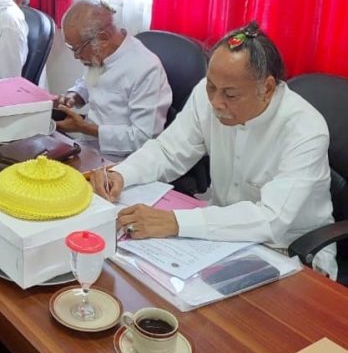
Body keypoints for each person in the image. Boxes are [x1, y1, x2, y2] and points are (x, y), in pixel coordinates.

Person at [93, 22, 336, 278]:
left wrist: (174, 222)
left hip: (289, 250)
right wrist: (122, 174)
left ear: (266, 89)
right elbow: (168, 151)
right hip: (220, 236)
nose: (216, 103)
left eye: (230, 95)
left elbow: (272, 219)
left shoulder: (305, 129)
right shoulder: (206, 95)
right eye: (211, 87)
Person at [56, 0, 172, 156]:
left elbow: (143, 138)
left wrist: (85, 128)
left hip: (123, 159)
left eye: (77, 49)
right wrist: (74, 95)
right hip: (88, 147)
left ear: (103, 37)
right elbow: (89, 81)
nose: (76, 56)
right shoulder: (101, 53)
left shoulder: (145, 68)